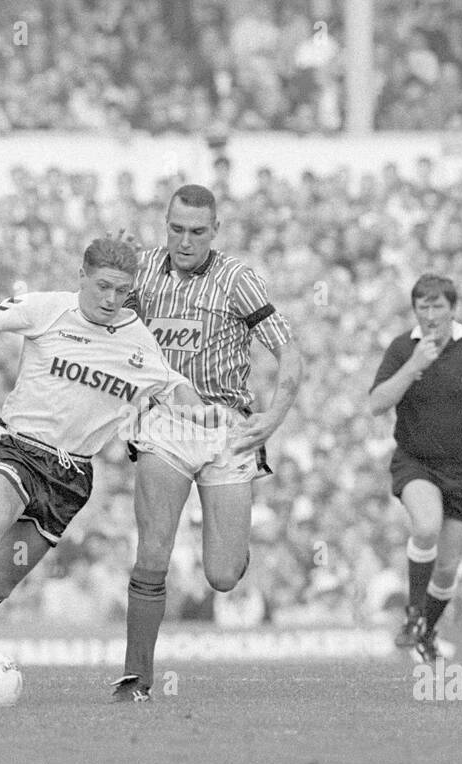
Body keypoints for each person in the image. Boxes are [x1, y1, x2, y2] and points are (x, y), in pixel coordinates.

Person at [0, 237, 206, 693]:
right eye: (101, 286)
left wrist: (208, 416)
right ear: (81, 276)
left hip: (70, 478)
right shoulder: (47, 309)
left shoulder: (139, 343)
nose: (110, 299)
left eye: (121, 290)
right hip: (18, 448)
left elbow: (175, 389)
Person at [113, 183, 305, 702]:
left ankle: (232, 552)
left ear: (215, 231)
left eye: (197, 231)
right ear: (165, 225)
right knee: (153, 545)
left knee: (222, 574)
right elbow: (102, 323)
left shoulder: (237, 280)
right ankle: (137, 678)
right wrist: (106, 272)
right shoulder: (143, 271)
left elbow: (289, 352)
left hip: (226, 424)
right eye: (176, 229)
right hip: (166, 422)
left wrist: (274, 417)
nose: (185, 240)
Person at [368, 274, 462, 660]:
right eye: (422, 307)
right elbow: (377, 403)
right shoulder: (403, 348)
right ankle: (413, 615)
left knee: (447, 570)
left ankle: (427, 631)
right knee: (425, 525)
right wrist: (413, 366)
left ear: (452, 309)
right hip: (417, 463)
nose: (430, 315)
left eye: (437, 306)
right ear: (415, 311)